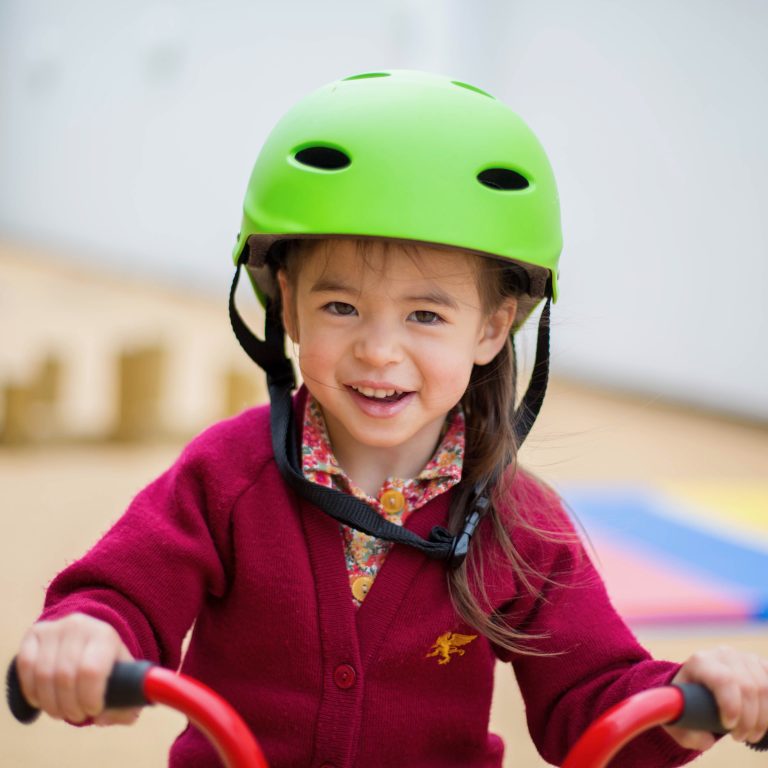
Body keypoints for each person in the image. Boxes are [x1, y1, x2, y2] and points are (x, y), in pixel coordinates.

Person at [14, 70, 768, 767]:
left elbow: (596, 696)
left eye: (425, 315)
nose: (379, 351)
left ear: (492, 328)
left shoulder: (520, 524)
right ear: (286, 304)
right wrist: (87, 638)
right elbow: (124, 593)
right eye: (340, 306)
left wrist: (688, 699)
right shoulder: (225, 478)